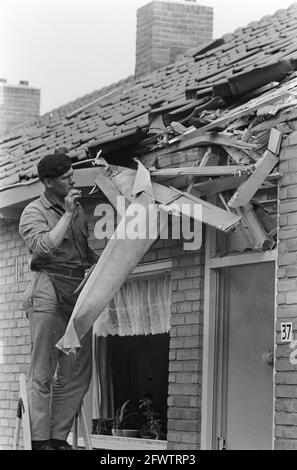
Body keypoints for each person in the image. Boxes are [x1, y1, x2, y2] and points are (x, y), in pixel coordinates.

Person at [19, 152, 98, 450]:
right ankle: (40, 442)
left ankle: (56, 437)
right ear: (48, 182)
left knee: (77, 368)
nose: (73, 180)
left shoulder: (77, 209)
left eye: (72, 175)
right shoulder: (33, 211)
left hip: (77, 288)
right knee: (43, 369)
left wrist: (105, 260)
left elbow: (82, 250)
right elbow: (44, 248)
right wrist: (66, 214)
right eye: (65, 178)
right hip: (48, 286)